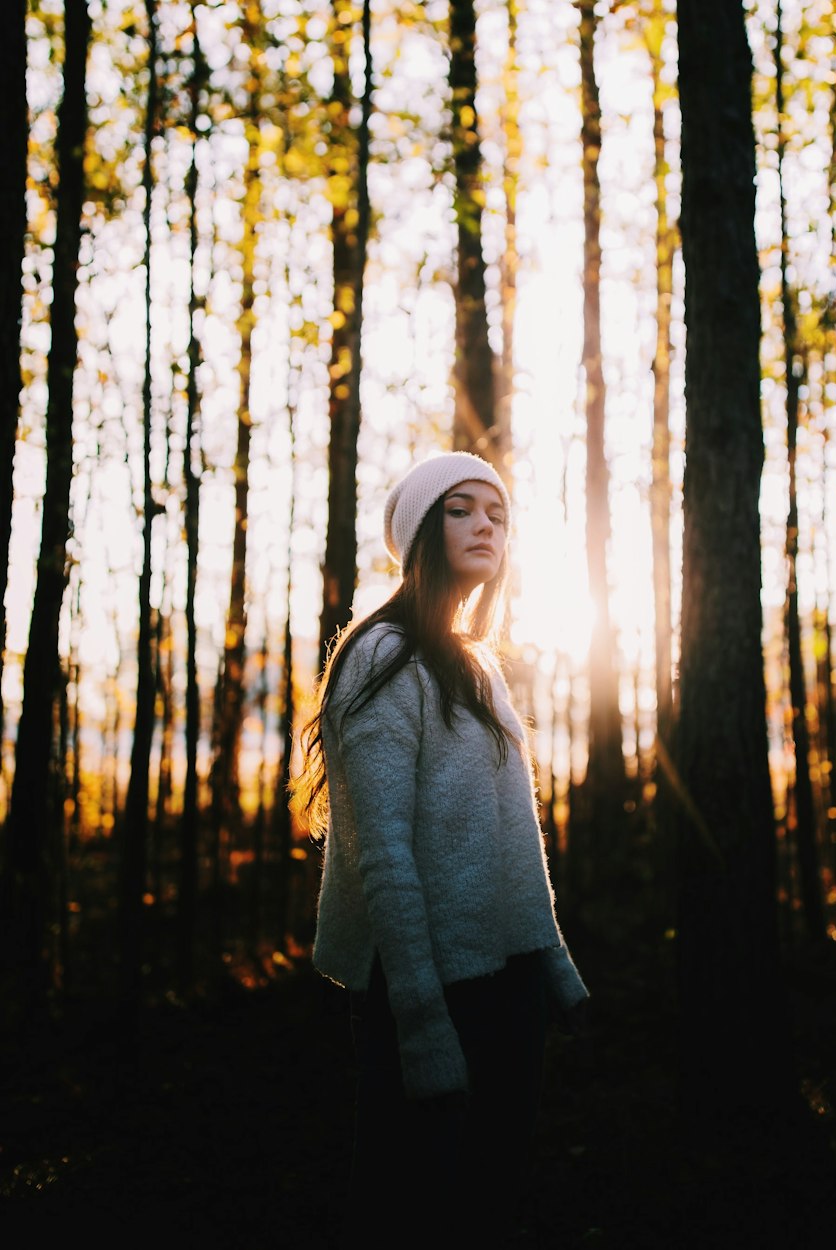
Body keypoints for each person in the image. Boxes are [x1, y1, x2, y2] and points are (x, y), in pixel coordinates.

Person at [290, 450, 589, 1247]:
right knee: (408, 1201)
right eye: (462, 509)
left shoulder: (479, 666)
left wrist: (551, 963)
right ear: (422, 528)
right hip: (426, 990)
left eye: (498, 514)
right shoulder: (381, 657)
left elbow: (514, 836)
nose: (487, 525)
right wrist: (420, 1022)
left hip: (510, 983)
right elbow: (383, 854)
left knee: (489, 1198)